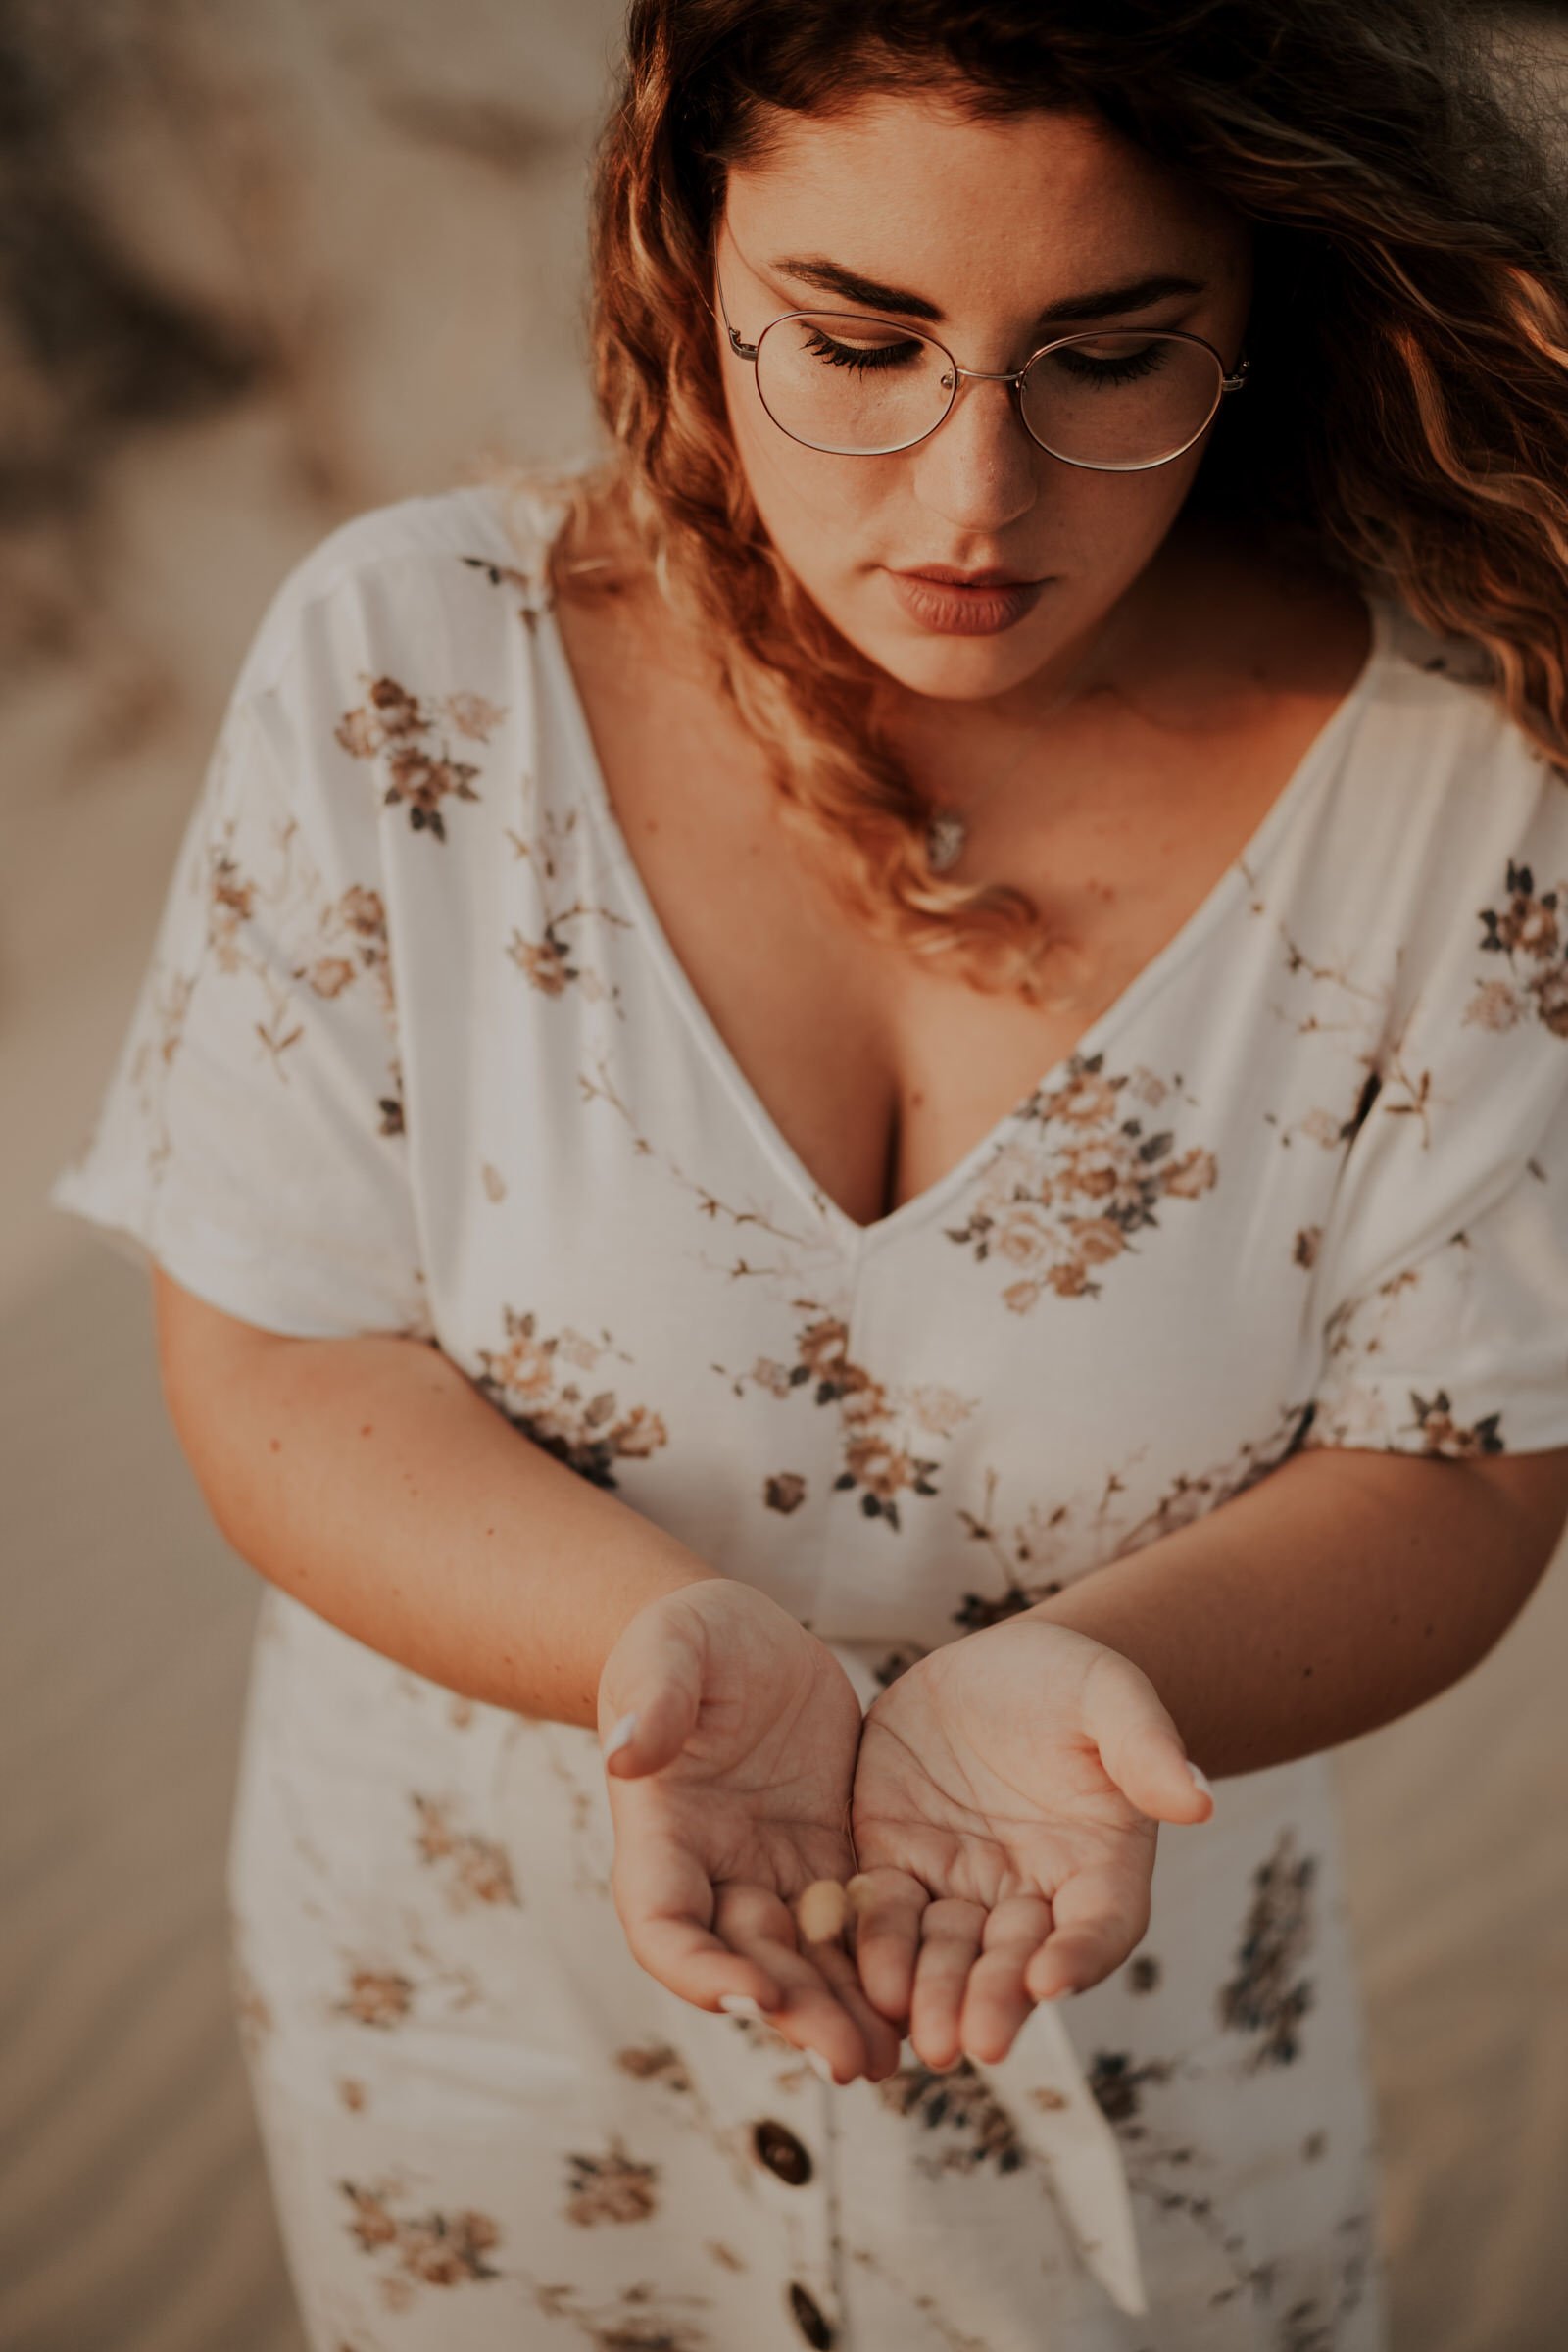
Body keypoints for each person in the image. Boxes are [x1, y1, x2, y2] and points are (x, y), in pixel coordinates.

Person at [47, 0, 1568, 2344]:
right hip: (495, 2034)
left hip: (1134, 2062)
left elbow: (1454, 1472)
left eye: (1108, 357)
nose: (971, 498)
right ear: (688, 250)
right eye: (855, 344)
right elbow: (275, 1344)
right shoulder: (408, 671)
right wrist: (652, 1647)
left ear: (1257, 314)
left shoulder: (1453, 789)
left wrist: (1066, 1687)